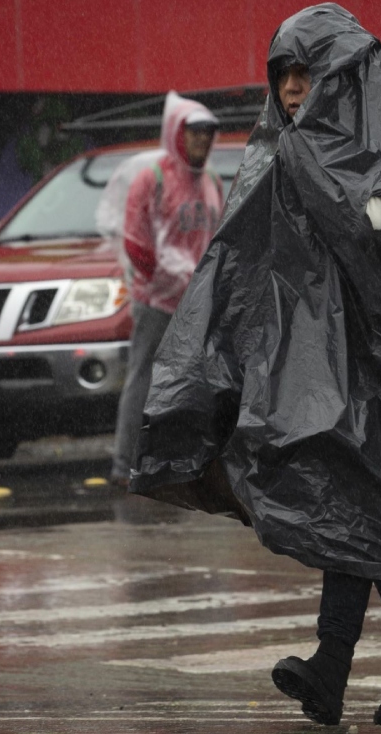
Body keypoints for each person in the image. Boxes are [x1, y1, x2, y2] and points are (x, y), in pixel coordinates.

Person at [129, 4, 381, 727]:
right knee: (365, 512)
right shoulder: (286, 148)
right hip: (326, 365)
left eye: (304, 72)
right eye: (282, 74)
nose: (291, 88)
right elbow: (251, 260)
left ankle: (334, 668)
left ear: (336, 76)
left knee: (357, 506)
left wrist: (360, 208)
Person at [108, 94, 223, 488]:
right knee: (143, 380)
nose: (203, 141)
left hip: (197, 305)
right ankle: (125, 464)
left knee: (193, 386)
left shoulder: (211, 183)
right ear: (176, 133)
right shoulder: (152, 179)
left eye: (208, 133)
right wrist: (162, 276)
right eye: (195, 132)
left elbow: (218, 240)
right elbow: (136, 241)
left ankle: (182, 462)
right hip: (157, 302)